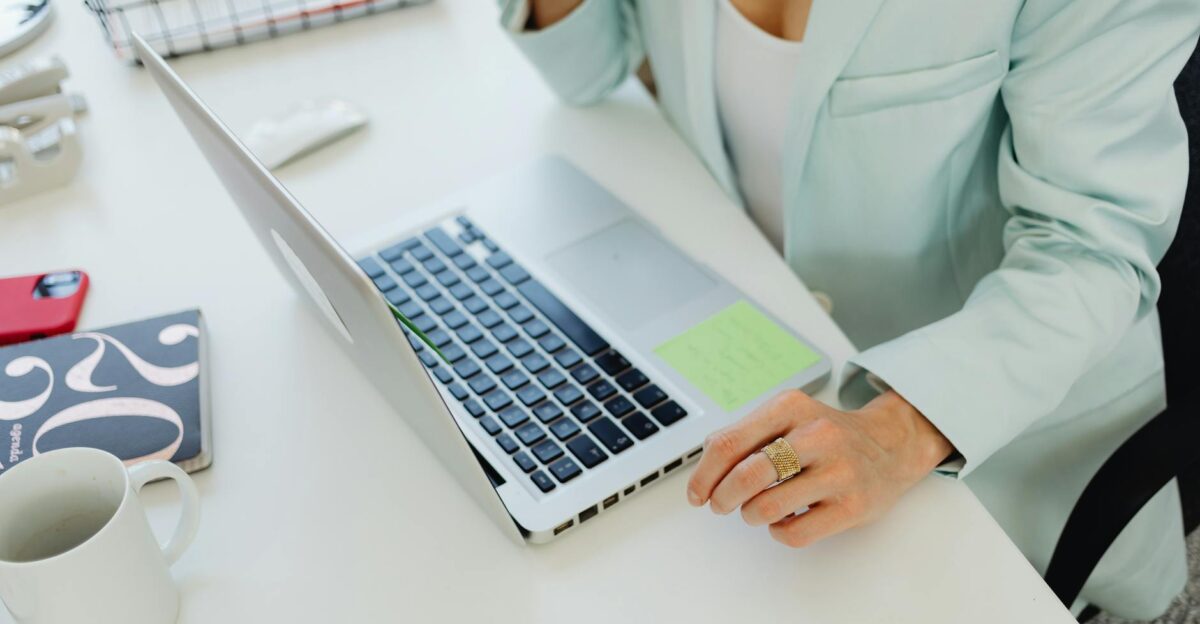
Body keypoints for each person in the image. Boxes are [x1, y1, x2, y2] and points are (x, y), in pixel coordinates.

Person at [498, 0, 1199, 619]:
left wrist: (899, 432)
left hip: (969, 420)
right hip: (743, 331)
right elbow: (585, 69)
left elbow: (1092, 247)